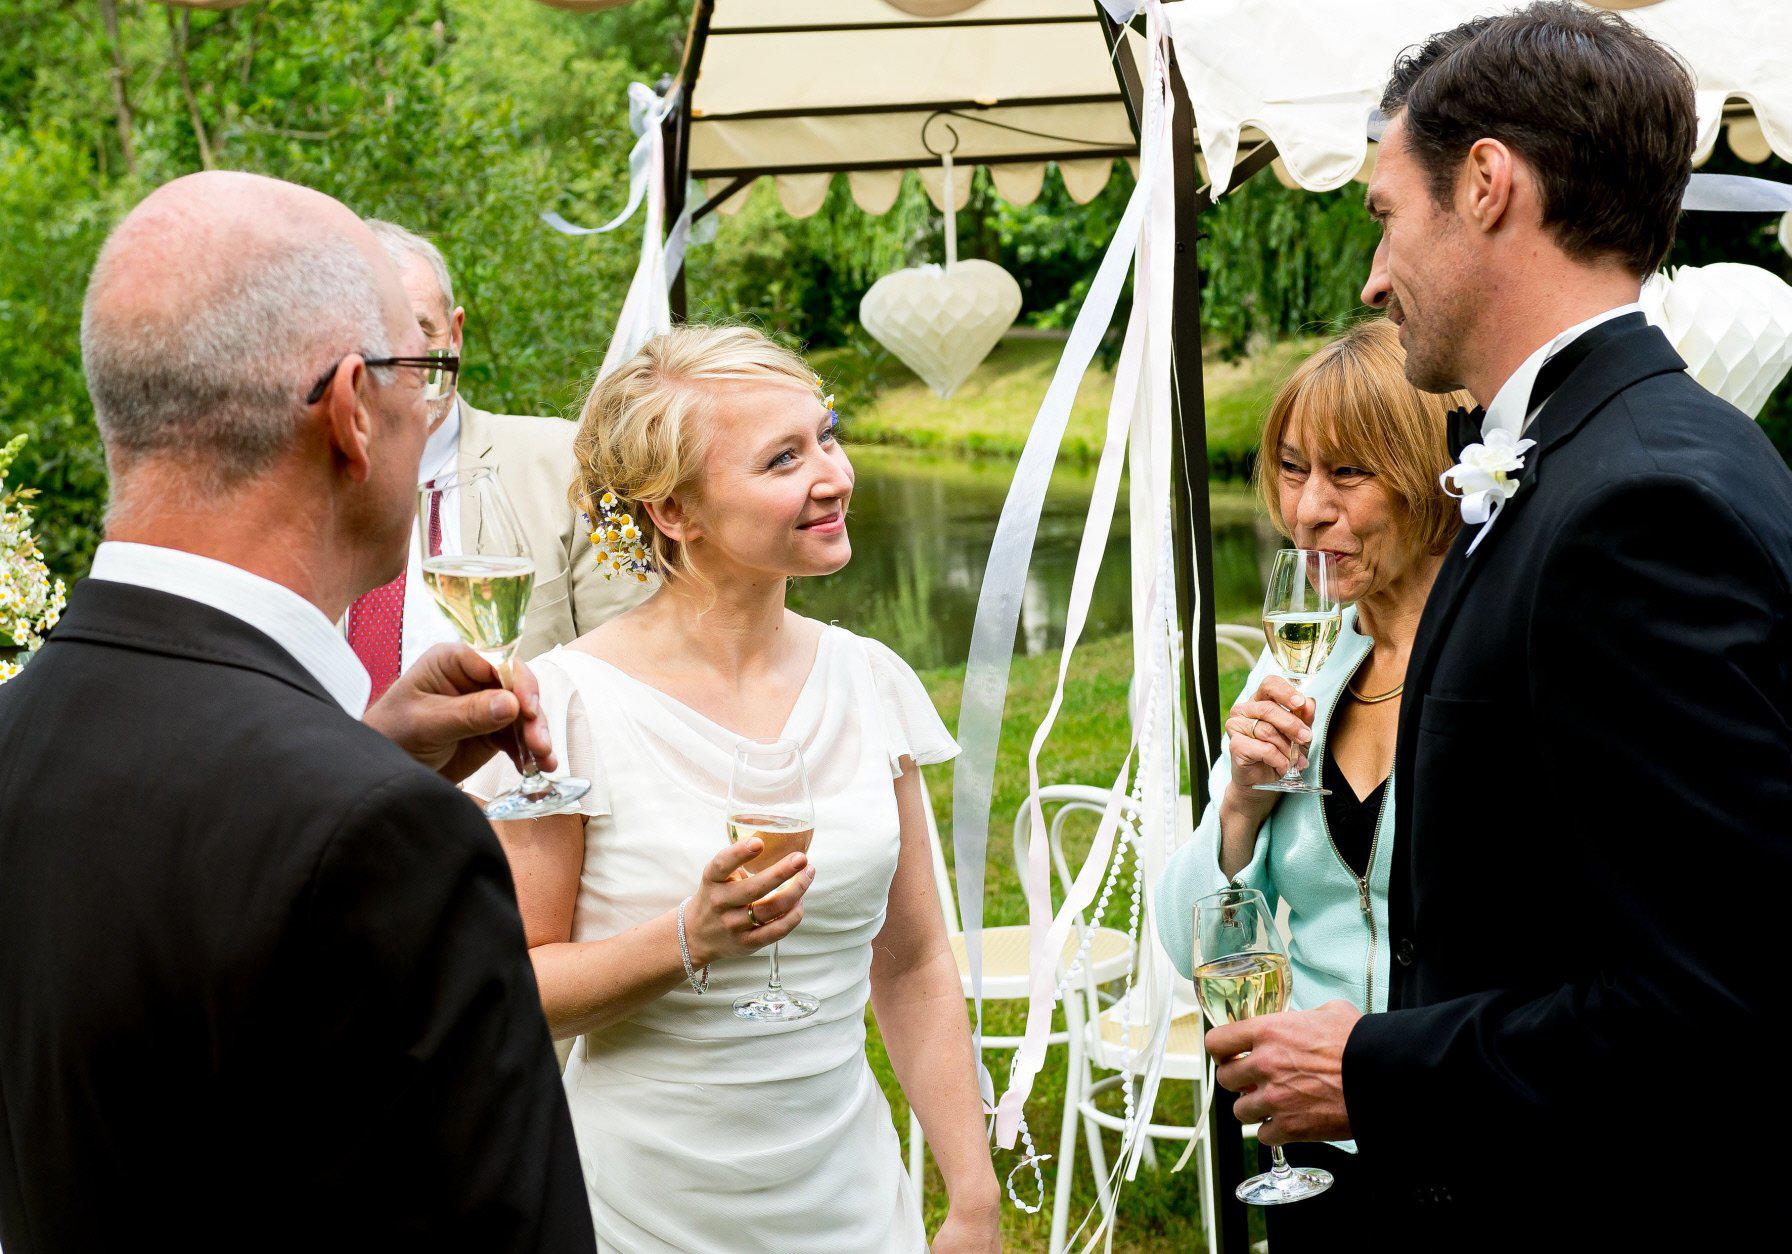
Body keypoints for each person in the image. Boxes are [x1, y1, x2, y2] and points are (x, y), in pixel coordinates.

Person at [1200, 5, 1792, 1247]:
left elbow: (1716, 995)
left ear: (1483, 185)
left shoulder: (1642, 503)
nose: (1370, 275)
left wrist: (1372, 1068)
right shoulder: (1584, 456)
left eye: (1383, 213)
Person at [0, 171, 593, 1253]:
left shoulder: (18, 735)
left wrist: (362, 757)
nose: (430, 411)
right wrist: (358, 793)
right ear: (353, 411)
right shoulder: (384, 840)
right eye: (418, 375)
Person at [467, 325, 1001, 1253]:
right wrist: (688, 938)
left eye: (826, 436)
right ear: (675, 511)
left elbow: (911, 961)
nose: (833, 475)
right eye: (783, 458)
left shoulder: (871, 682)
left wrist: (970, 1198)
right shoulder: (563, 706)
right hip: (640, 1213)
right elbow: (516, 984)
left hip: (852, 1200)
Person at [1155, 319, 1465, 1245]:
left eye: (1348, 475)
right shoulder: (1299, 664)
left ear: (1424, 479)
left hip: (1468, 1129)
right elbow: (1188, 943)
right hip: (1318, 1148)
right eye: (1293, 470)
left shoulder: (1496, 650)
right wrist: (1240, 808)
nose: (1307, 511)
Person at [347, 220, 649, 700]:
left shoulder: (570, 466)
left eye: (420, 330)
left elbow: (641, 669)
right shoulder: (290, 490)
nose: (402, 357)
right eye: (373, 334)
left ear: (455, 335)